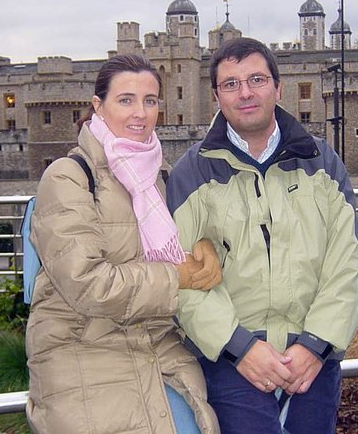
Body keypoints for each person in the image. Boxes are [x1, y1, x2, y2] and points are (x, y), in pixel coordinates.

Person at [166, 38, 358, 434]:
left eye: (256, 79)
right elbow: (181, 276)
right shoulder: (191, 172)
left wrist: (315, 345)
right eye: (232, 84)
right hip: (231, 360)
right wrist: (241, 349)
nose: (246, 93)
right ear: (216, 96)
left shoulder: (322, 162)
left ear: (278, 88)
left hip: (313, 358)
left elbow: (346, 265)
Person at [25, 54, 221, 434]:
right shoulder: (67, 177)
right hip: (83, 344)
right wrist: (175, 276)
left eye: (150, 101)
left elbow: (189, 239)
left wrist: (206, 247)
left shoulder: (159, 176)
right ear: (98, 106)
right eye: (126, 100)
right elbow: (86, 284)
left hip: (155, 341)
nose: (141, 113)